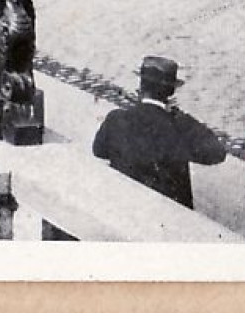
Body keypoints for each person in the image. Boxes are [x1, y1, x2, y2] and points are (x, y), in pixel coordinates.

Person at [92, 55, 226, 210]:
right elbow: (217, 152)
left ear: (141, 87)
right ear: (171, 92)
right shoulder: (179, 127)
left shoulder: (116, 119)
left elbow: (99, 151)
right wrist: (183, 118)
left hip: (124, 208)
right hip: (170, 215)